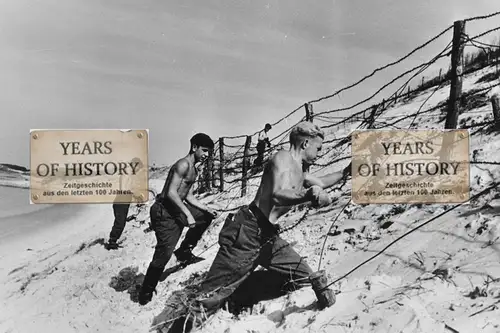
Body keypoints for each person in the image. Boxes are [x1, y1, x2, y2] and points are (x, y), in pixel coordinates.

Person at [188, 121, 351, 324]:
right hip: (247, 232)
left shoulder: (301, 170)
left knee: (301, 276)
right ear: (305, 143)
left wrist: (346, 172)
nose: (319, 153)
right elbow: (277, 194)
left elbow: (323, 181)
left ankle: (238, 294)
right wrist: (309, 195)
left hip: (268, 236)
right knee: (207, 299)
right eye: (318, 148)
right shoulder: (282, 158)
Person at [138, 133, 218, 305]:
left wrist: (206, 208)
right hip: (164, 211)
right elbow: (171, 193)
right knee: (163, 254)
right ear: (194, 147)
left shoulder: (194, 168)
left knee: (204, 217)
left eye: (209, 152)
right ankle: (146, 291)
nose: (206, 155)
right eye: (204, 150)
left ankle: (184, 252)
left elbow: (187, 194)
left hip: (176, 209)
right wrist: (188, 215)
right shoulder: (183, 164)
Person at [106, 157, 145, 250]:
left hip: (122, 200)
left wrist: (136, 195)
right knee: (120, 222)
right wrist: (137, 195)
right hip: (121, 200)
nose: (138, 170)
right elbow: (125, 189)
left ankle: (113, 241)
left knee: (120, 221)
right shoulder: (127, 173)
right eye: (138, 168)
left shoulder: (129, 173)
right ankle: (112, 242)